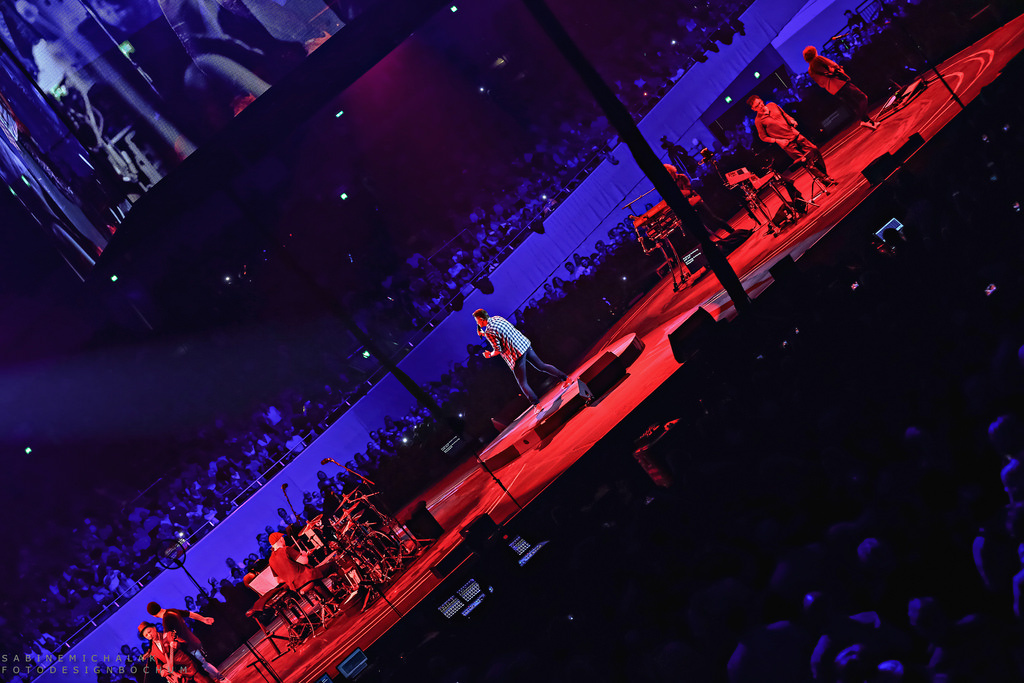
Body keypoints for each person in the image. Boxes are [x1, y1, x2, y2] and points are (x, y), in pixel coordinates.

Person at [473, 309, 569, 410]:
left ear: (481, 319)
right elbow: (500, 332)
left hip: (516, 355)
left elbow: (498, 350)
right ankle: (566, 378)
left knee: (523, 383)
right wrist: (484, 334)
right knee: (542, 366)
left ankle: (537, 405)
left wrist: (489, 355)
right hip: (524, 345)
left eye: (477, 320)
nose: (477, 323)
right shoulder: (497, 318)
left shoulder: (489, 332)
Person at [748, 95, 837, 186]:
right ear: (753, 109)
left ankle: (825, 175)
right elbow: (763, 137)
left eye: (760, 103)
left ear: (761, 100)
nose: (760, 106)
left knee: (814, 149)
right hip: (787, 144)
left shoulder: (772, 105)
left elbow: (784, 114)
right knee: (805, 161)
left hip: (795, 134)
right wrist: (777, 141)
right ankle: (824, 179)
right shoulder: (758, 121)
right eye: (757, 106)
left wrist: (791, 120)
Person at [145, 601, 228, 682]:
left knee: (203, 665)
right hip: (192, 640)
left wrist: (169, 662)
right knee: (203, 664)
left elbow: (170, 640)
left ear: (154, 615)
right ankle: (220, 679)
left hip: (188, 645)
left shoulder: (166, 621)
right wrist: (203, 619)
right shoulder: (172, 611)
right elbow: (190, 614)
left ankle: (222, 679)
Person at [803, 45, 878, 129]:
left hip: (833, 90)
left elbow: (820, 83)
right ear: (814, 52)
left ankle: (868, 121)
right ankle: (864, 120)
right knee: (862, 97)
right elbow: (832, 64)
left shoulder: (810, 70)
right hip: (839, 83)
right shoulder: (817, 59)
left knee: (854, 105)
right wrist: (838, 69)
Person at [663, 164, 738, 239]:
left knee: (712, 218)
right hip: (686, 206)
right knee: (697, 226)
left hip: (696, 201)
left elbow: (688, 191)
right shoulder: (670, 185)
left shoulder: (682, 177)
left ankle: (731, 231)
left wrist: (676, 193)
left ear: (672, 172)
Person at [138, 621, 215, 683]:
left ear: (154, 628)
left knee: (203, 680)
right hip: (177, 674)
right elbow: (158, 664)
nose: (149, 635)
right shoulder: (152, 650)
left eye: (149, 632)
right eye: (146, 635)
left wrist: (177, 644)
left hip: (187, 665)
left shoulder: (168, 635)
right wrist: (161, 671)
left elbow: (184, 642)